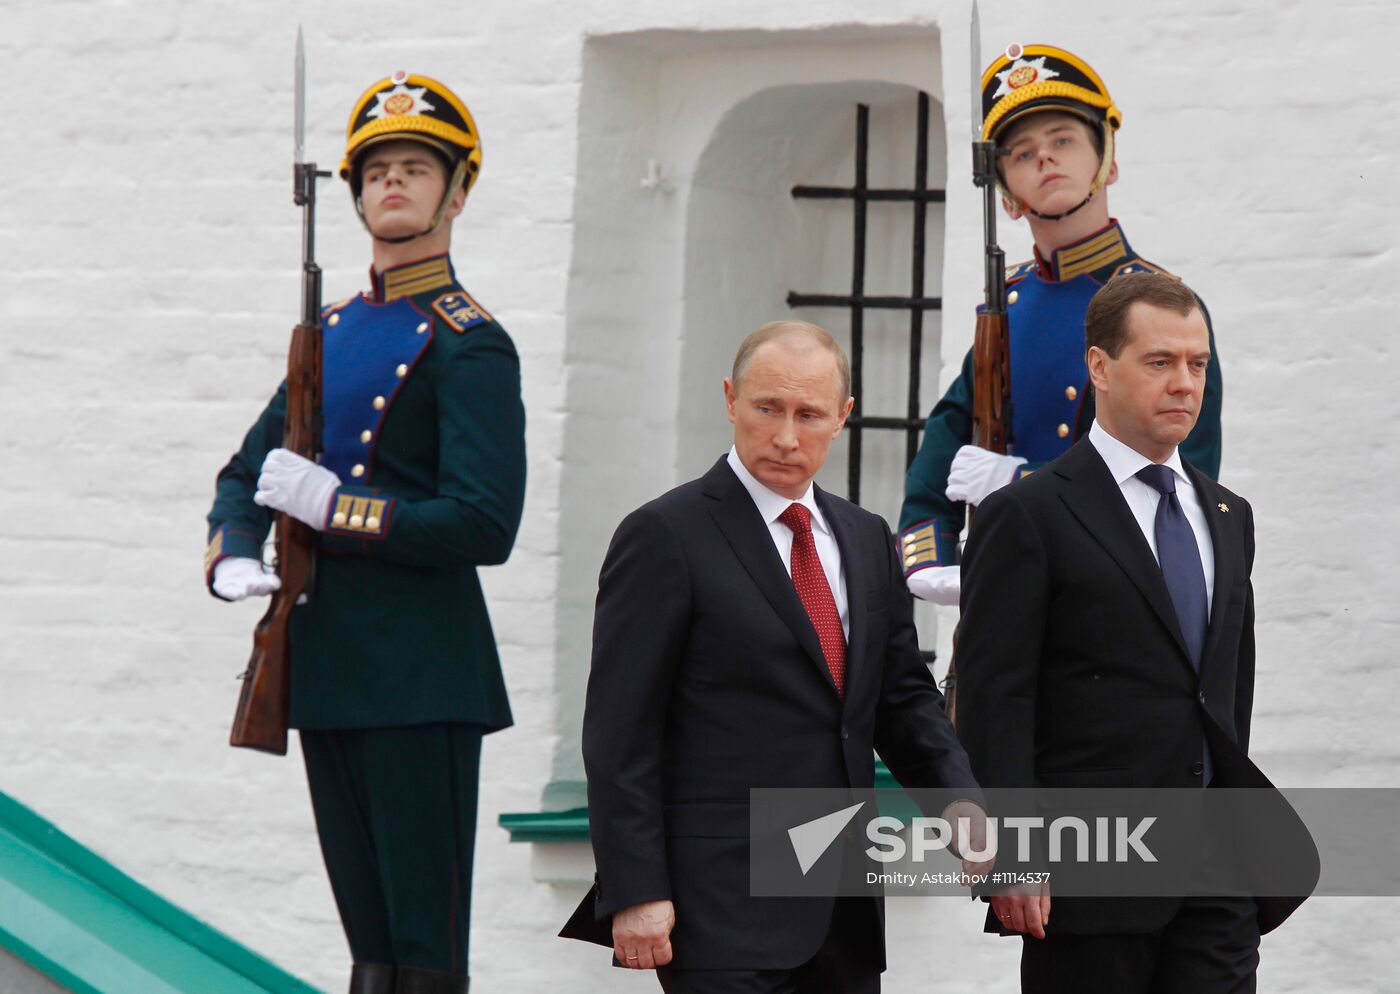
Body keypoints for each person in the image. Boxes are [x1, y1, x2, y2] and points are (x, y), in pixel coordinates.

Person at [204, 72, 525, 994]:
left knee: (423, 950)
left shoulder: (470, 341)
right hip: (329, 663)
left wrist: (332, 508)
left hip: (421, 674)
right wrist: (234, 553)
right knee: (370, 950)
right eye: (376, 168)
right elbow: (245, 473)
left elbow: (483, 521)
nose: (393, 182)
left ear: (457, 192)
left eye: (417, 167)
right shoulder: (332, 330)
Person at [560, 320, 985, 994]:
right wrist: (634, 888)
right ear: (731, 399)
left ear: (842, 417)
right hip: (717, 911)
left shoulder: (867, 540)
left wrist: (965, 809)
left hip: (843, 908)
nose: (787, 436)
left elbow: (903, 702)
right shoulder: (665, 536)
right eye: (768, 408)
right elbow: (620, 732)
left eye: (809, 414)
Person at [954, 273, 1306, 992]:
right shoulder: (1029, 516)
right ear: (1099, 368)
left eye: (1197, 364)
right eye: (1160, 362)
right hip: (1091, 876)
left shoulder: (1229, 516)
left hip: (1218, 874)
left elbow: (1223, 692)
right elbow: (996, 701)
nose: (1184, 383)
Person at [898, 44, 1223, 606]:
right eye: (1022, 153)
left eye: (1063, 140)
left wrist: (1019, 483)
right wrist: (930, 550)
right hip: (1006, 580)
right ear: (1008, 199)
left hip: (1110, 591)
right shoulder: (1011, 302)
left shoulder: (1162, 306)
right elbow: (949, 436)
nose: (1045, 159)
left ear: (1108, 161)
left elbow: (1177, 469)